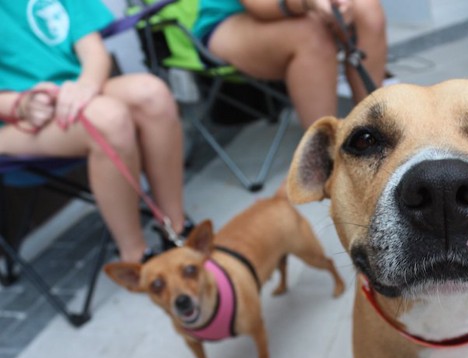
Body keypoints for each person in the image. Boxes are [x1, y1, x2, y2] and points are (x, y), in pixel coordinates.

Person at [0, 0, 189, 264]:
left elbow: (93, 51)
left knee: (152, 94)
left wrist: (85, 87)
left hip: (73, 94)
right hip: (11, 126)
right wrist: (19, 105)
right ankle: (135, 258)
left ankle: (176, 231)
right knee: (109, 119)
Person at [193, 0, 388, 129]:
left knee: (367, 8)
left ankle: (374, 125)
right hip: (226, 19)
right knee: (311, 37)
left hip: (303, 10)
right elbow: (261, 6)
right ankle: (325, 155)